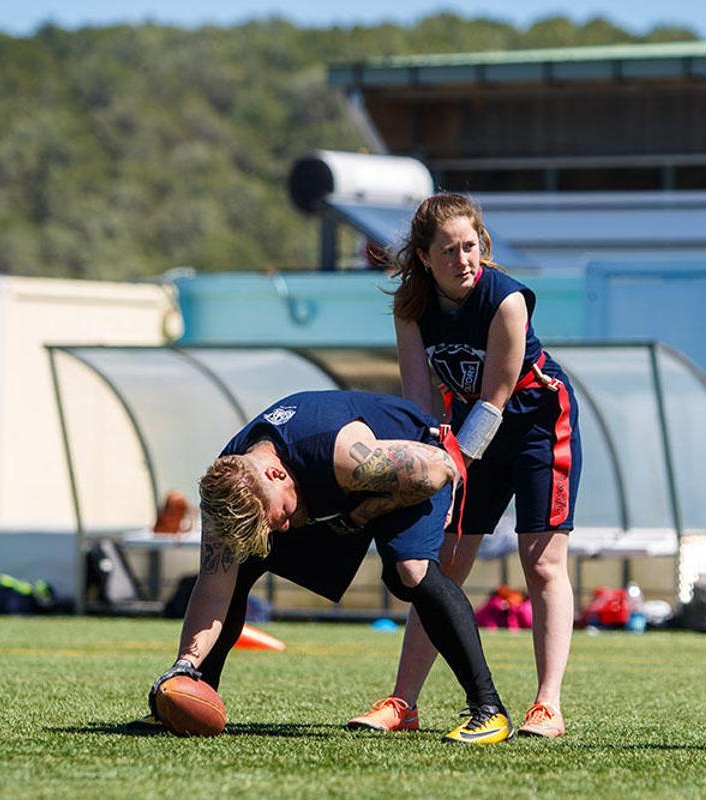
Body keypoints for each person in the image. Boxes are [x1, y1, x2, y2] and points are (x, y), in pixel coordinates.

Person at [141, 390, 514, 744]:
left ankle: (489, 709)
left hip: (415, 467)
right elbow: (213, 585)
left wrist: (362, 514)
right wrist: (184, 664)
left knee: (410, 572)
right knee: (242, 560)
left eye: (276, 515)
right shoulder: (228, 488)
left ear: (276, 475)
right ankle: (195, 690)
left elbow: (442, 468)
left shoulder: (347, 454)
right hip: (334, 492)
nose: (280, 529)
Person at [348, 193, 580, 738]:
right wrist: (413, 466)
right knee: (441, 564)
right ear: (424, 258)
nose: (463, 260)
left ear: (483, 245)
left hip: (536, 423)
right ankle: (403, 702)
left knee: (542, 562)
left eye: (470, 246)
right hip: (470, 429)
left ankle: (547, 705)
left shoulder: (506, 300)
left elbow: (495, 400)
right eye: (448, 251)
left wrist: (446, 466)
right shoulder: (412, 306)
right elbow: (418, 400)